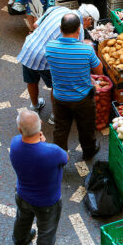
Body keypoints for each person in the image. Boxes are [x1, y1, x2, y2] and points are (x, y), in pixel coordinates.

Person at [10, 110, 69, 245]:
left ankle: (19, 241)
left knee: (22, 218)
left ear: (19, 130)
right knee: (46, 233)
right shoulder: (52, 151)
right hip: (47, 202)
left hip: (22, 194)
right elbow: (64, 159)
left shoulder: (15, 144)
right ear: (41, 126)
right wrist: (44, 143)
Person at [18, 4, 99, 112]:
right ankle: (55, 114)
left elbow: (36, 25)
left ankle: (35, 105)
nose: (88, 26)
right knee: (56, 86)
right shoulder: (78, 29)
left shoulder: (58, 8)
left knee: (32, 81)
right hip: (45, 57)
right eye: (90, 23)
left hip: (29, 48)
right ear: (88, 19)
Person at [45, 12, 103, 161]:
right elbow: (99, 71)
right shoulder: (86, 50)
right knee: (86, 126)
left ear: (60, 28)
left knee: (61, 128)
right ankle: (89, 151)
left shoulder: (50, 47)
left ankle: (59, 156)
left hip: (60, 97)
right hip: (82, 98)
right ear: (79, 30)